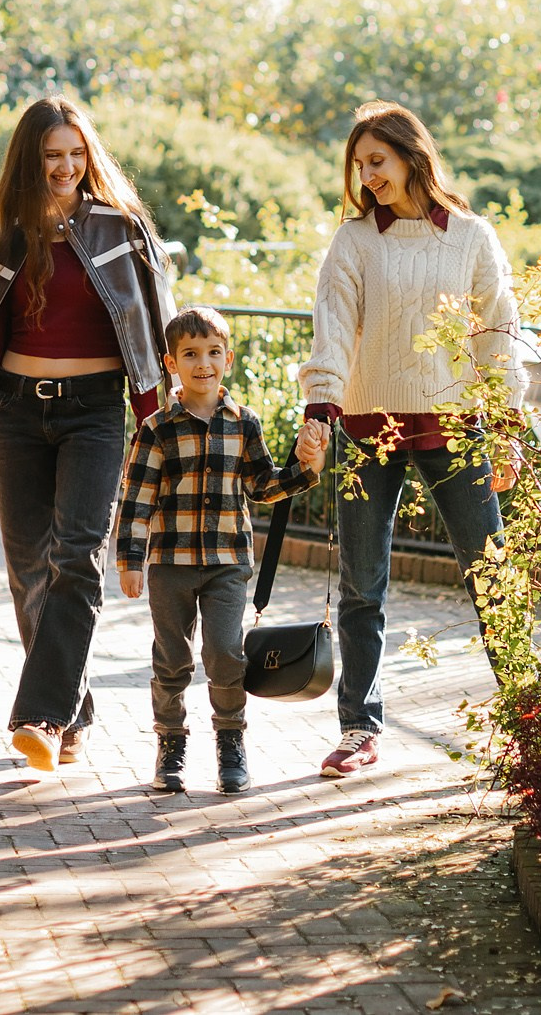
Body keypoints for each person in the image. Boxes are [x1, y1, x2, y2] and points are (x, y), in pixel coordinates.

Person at [0, 95, 177, 773]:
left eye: (76, 153)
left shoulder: (122, 230)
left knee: (76, 557)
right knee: (27, 568)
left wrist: (153, 424)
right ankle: (72, 710)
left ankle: (40, 715)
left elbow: (145, 331)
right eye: (51, 155)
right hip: (16, 414)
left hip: (95, 414)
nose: (65, 166)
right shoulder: (2, 238)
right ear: (29, 160)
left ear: (89, 157)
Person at [298, 101, 523, 781]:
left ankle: (532, 718)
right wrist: (320, 408)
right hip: (369, 427)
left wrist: (506, 425)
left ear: (411, 156)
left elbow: (497, 333)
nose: (367, 176)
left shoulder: (472, 237)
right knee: (361, 585)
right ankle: (358, 729)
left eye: (378, 161)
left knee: (491, 572)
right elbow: (334, 326)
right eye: (359, 165)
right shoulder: (355, 241)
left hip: (455, 425)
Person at [115, 305, 325, 796]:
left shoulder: (244, 423)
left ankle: (231, 741)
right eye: (190, 354)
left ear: (228, 359)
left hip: (228, 563)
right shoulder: (157, 428)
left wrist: (307, 469)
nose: (203, 363)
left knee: (226, 653)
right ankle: (171, 744)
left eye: (213, 352)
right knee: (172, 658)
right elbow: (137, 498)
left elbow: (262, 485)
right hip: (170, 565)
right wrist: (130, 561)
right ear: (172, 364)